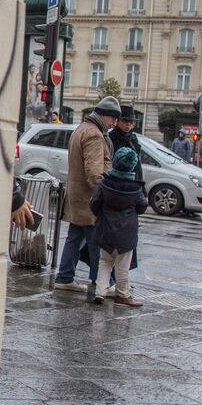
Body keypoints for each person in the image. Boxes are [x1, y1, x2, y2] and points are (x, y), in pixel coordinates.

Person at [53, 96, 120, 298]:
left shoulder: (81, 128)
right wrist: (105, 194)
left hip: (77, 195)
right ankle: (103, 282)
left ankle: (64, 278)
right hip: (89, 199)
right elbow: (94, 173)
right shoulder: (94, 135)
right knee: (96, 242)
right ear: (104, 116)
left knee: (75, 236)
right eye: (113, 119)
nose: (114, 123)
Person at [89, 146, 147, 307]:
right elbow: (142, 207)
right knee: (122, 266)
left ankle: (100, 292)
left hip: (105, 229)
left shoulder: (105, 184)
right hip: (126, 233)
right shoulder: (136, 188)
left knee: (104, 262)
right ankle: (123, 294)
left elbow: (94, 203)